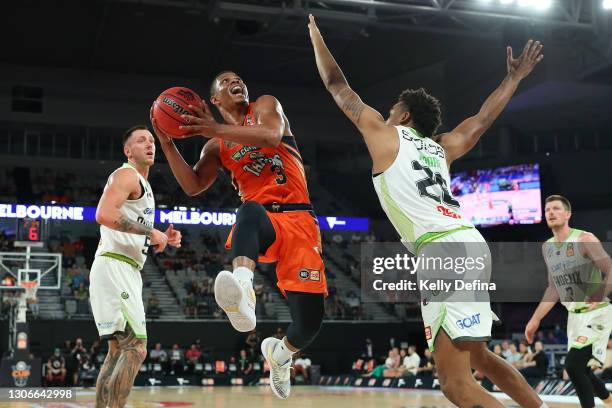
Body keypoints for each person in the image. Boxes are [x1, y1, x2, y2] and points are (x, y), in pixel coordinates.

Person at [309, 14, 546, 408]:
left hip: (441, 251)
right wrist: (513, 79)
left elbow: (337, 85)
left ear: (403, 117)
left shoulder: (385, 134)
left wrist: (316, 36)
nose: (383, 116)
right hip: (471, 243)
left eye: (390, 111)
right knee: (479, 357)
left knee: (455, 385)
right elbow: (483, 120)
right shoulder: (443, 148)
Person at [150, 72, 327, 400]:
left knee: (309, 324)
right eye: (226, 81)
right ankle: (244, 288)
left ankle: (281, 355)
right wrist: (167, 144)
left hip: (300, 218)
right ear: (215, 100)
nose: (237, 81)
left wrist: (213, 127)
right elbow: (192, 186)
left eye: (239, 78)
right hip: (264, 221)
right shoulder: (216, 145)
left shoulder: (264, 105)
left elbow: (272, 136)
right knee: (249, 210)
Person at [90, 125, 182, 408]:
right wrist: (149, 232)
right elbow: (104, 214)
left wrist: (162, 236)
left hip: (117, 266)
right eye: (141, 141)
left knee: (118, 352)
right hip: (116, 267)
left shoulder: (141, 183)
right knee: (137, 349)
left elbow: (133, 224)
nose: (149, 144)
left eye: (151, 140)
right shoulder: (126, 174)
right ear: (128, 151)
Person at [525, 195, 612, 407]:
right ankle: (609, 400)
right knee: (581, 369)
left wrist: (601, 292)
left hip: (596, 312)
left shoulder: (584, 239)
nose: (551, 213)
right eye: (547, 210)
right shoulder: (547, 247)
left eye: (556, 208)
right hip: (574, 317)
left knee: (572, 366)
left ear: (568, 214)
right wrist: (535, 319)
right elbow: (553, 288)